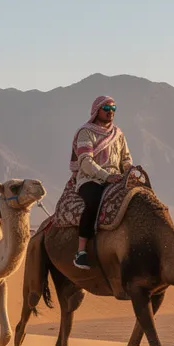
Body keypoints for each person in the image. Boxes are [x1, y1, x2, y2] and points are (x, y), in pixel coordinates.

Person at [71, 95, 133, 269]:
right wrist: (106, 176)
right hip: (90, 178)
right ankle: (81, 251)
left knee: (139, 198)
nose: (110, 113)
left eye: (113, 109)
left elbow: (126, 158)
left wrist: (130, 170)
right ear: (96, 110)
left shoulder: (118, 134)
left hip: (116, 179)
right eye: (106, 109)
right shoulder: (86, 132)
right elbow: (85, 162)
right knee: (93, 202)